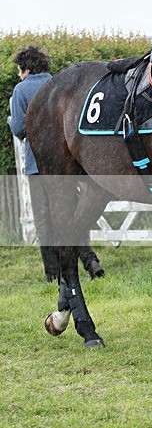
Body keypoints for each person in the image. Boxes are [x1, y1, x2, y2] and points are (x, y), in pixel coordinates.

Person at [8, 46, 104, 281]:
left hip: (39, 165)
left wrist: (11, 120)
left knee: (45, 220)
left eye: (20, 70)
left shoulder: (21, 90)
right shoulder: (58, 83)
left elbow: (19, 128)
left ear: (27, 69)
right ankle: (90, 260)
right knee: (72, 213)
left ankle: (53, 273)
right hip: (69, 162)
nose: (19, 75)